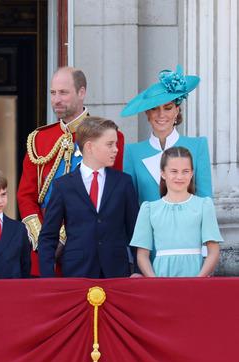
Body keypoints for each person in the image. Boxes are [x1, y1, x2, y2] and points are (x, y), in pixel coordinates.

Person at [17, 66, 125, 276]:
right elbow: (26, 195)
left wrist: (64, 238)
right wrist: (44, 239)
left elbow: (107, 195)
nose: (56, 99)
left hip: (88, 246)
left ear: (81, 93)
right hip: (44, 251)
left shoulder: (109, 138)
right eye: (52, 92)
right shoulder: (39, 139)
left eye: (63, 93)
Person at [38, 117, 139, 278]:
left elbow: (136, 231)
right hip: (76, 273)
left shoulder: (123, 182)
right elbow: (48, 236)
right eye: (109, 144)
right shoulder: (63, 186)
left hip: (116, 273)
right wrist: (48, 278)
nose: (116, 149)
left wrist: (139, 271)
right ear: (89, 147)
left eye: (116, 144)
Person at [121, 65, 212, 203]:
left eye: (168, 108)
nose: (161, 115)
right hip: (149, 224)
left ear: (177, 110)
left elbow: (206, 201)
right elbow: (129, 205)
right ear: (147, 112)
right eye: (154, 109)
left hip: (189, 224)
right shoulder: (132, 152)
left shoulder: (198, 146)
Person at [130, 147, 222, 277]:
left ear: (191, 173)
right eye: (174, 171)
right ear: (163, 173)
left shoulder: (203, 205)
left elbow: (213, 251)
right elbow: (142, 255)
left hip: (195, 277)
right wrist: (155, 282)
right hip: (161, 278)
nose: (180, 177)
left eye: (185, 171)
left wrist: (198, 281)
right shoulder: (149, 209)